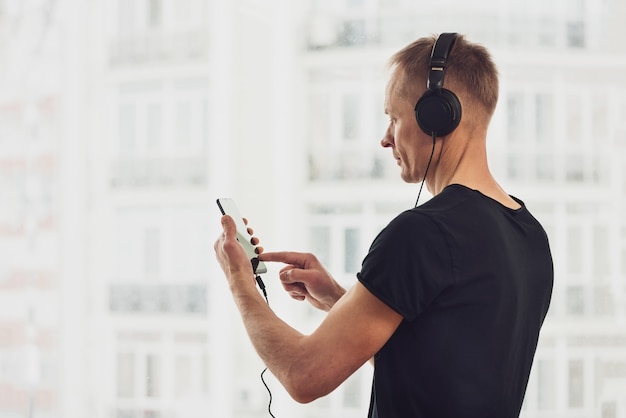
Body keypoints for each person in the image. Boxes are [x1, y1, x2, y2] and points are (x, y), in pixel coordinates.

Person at [214, 33, 553, 418]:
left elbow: (303, 376)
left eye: (395, 117)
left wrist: (239, 281)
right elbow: (435, 374)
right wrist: (339, 302)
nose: (385, 138)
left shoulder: (421, 234)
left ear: (438, 116)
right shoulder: (530, 236)